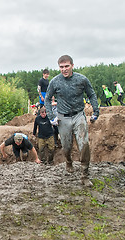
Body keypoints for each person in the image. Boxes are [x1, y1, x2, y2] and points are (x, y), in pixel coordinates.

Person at [44, 55, 99, 187]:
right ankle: (68, 161)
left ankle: (85, 175)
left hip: (79, 115)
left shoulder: (82, 79)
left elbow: (91, 94)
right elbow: (47, 98)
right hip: (63, 117)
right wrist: (51, 116)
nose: (64, 69)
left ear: (72, 66)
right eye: (61, 67)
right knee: (66, 146)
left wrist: (95, 110)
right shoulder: (55, 81)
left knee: (84, 144)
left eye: (66, 66)